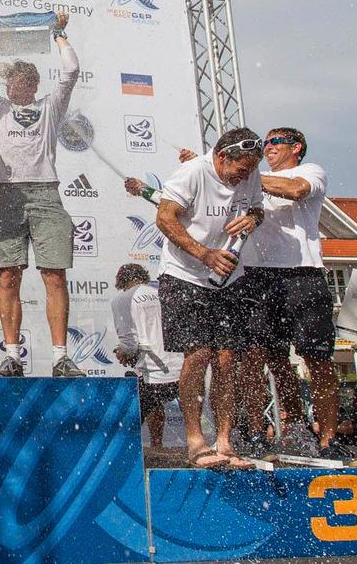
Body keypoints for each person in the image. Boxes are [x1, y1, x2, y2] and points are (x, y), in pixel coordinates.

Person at [0, 9, 84, 378]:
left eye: (15, 82)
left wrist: (60, 34)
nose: (8, 88)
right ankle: (11, 355)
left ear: (31, 85)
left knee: (54, 275)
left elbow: (70, 71)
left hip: (46, 193)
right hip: (6, 193)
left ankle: (60, 357)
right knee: (8, 276)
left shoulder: (50, 107)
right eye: (6, 83)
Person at [152, 127, 264, 469]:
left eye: (249, 172)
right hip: (185, 273)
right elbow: (164, 218)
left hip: (229, 275)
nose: (243, 178)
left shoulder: (251, 172)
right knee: (198, 354)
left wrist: (252, 218)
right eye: (239, 171)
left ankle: (226, 441)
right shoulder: (193, 172)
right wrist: (204, 254)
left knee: (228, 358)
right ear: (221, 156)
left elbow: (259, 209)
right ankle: (195, 440)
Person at [237, 127, 347, 460]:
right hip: (258, 275)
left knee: (318, 359)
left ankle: (327, 438)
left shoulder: (309, 172)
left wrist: (249, 176)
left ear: (296, 147)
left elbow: (297, 190)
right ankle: (266, 431)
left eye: (274, 143)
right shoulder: (252, 180)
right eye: (264, 144)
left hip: (303, 274)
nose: (267, 148)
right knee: (263, 358)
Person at [111, 263, 184, 448]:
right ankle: (189, 446)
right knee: (180, 408)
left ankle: (126, 453)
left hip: (153, 372)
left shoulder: (123, 299)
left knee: (129, 421)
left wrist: (122, 353)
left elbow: (129, 345)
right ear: (143, 276)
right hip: (183, 368)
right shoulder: (163, 292)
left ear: (121, 282)